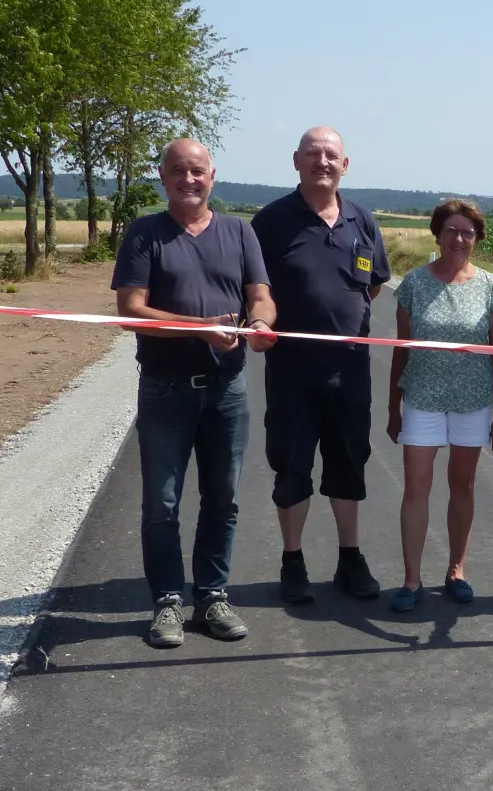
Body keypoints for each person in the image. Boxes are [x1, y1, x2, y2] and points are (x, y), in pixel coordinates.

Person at [112, 138, 274, 648]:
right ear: (162, 177)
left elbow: (260, 295)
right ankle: (166, 602)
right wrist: (198, 328)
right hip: (165, 392)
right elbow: (130, 311)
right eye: (178, 171)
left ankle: (212, 596)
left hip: (227, 390)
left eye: (197, 171)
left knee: (223, 498)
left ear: (212, 176)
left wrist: (263, 323)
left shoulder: (239, 231)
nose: (189, 179)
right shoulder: (144, 234)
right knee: (162, 503)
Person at [251, 126, 391, 604]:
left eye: (331, 155)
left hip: (350, 368)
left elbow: (371, 287)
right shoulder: (270, 222)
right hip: (292, 370)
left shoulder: (362, 220)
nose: (322, 162)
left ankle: (350, 558)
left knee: (350, 462)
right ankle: (293, 562)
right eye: (313, 154)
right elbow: (254, 289)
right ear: (296, 161)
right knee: (292, 465)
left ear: (345, 165)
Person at [385, 200, 493, 612]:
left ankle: (457, 569)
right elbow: (400, 351)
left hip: (473, 401)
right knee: (417, 488)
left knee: (463, 485)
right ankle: (411, 579)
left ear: (477, 239)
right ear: (437, 235)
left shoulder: (492, 288)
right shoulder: (415, 285)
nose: (459, 239)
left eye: (468, 232)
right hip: (422, 397)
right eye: (452, 231)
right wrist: (393, 406)